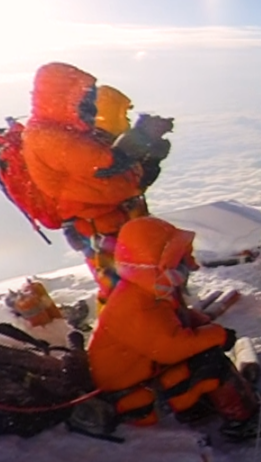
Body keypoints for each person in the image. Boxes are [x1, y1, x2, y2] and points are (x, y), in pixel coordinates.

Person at [87, 216, 261, 440]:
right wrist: (217, 335)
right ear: (156, 264)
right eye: (178, 259)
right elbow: (172, 347)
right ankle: (247, 420)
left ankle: (196, 405)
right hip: (134, 399)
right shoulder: (136, 306)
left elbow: (171, 319)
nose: (187, 264)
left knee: (200, 350)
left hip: (144, 379)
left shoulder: (144, 291)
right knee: (210, 361)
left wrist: (199, 322)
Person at [21, 63, 169, 307]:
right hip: (97, 226)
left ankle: (160, 321)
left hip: (119, 218)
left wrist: (151, 157)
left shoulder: (77, 132)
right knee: (122, 290)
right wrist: (144, 134)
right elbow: (107, 163)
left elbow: (123, 179)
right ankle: (125, 337)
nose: (91, 106)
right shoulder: (46, 135)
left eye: (91, 97)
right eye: (85, 97)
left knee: (143, 279)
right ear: (62, 98)